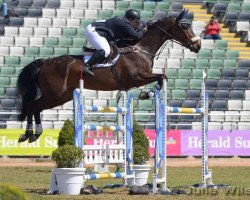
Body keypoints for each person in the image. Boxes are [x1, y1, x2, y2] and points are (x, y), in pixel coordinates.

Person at [84, 9, 147, 75]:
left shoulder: (125, 22)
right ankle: (86, 66)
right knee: (106, 51)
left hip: (99, 30)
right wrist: (143, 31)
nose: (137, 24)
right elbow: (136, 36)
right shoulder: (125, 24)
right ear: (130, 19)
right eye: (136, 22)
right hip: (93, 31)